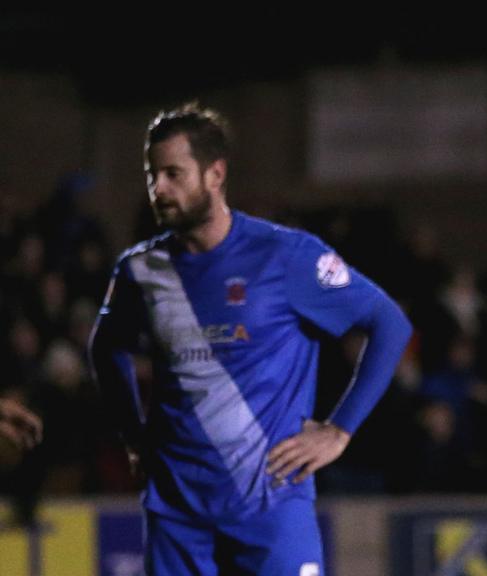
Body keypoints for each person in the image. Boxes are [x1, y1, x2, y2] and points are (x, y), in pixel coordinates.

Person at [88, 103, 412, 575]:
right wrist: (133, 437)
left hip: (271, 506)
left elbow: (389, 323)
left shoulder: (287, 256)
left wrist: (340, 430)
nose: (159, 189)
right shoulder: (141, 270)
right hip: (179, 514)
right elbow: (106, 346)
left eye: (173, 174)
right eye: (152, 175)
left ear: (215, 174)